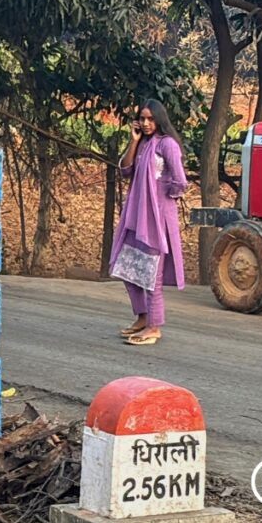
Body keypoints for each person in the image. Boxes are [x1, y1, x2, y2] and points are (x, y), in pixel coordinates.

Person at [111, 99, 189, 346]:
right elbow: (125, 170)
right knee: (126, 266)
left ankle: (154, 327)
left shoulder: (167, 145)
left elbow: (180, 182)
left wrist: (160, 197)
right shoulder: (143, 143)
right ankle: (142, 317)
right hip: (136, 216)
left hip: (157, 219)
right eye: (142, 119)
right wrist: (134, 141)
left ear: (159, 119)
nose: (145, 123)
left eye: (150, 119)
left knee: (151, 273)